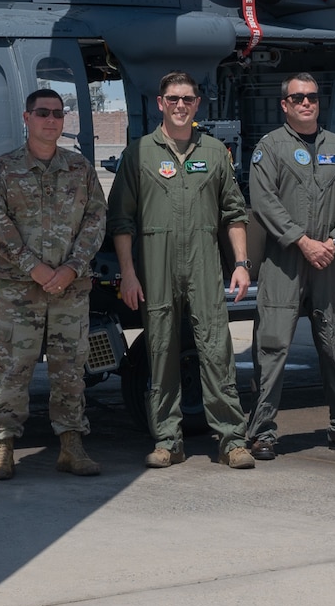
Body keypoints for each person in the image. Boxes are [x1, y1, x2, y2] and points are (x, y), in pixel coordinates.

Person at [109, 72, 256, 469]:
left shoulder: (213, 152)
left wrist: (241, 265)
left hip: (205, 262)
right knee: (160, 350)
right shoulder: (139, 154)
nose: (179, 105)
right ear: (160, 103)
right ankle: (167, 440)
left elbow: (234, 213)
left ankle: (231, 440)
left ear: (197, 105)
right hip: (155, 264)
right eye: (172, 99)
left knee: (216, 350)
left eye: (187, 99)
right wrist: (128, 273)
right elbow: (121, 221)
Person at [0, 88, 108, 482]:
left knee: (70, 369)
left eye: (57, 113)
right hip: (20, 289)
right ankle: (3, 447)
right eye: (42, 112)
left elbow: (96, 220)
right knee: (12, 368)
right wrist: (32, 267)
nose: (51, 120)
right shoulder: (2, 170)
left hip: (70, 288)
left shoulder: (80, 168)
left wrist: (71, 268)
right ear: (26, 117)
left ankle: (71, 445)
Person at [247, 73, 335, 458]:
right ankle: (262, 432)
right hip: (284, 261)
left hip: (327, 262)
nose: (306, 103)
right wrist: (302, 241)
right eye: (298, 97)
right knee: (273, 346)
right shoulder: (270, 148)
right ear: (284, 104)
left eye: (312, 97)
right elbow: (263, 201)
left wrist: (333, 242)